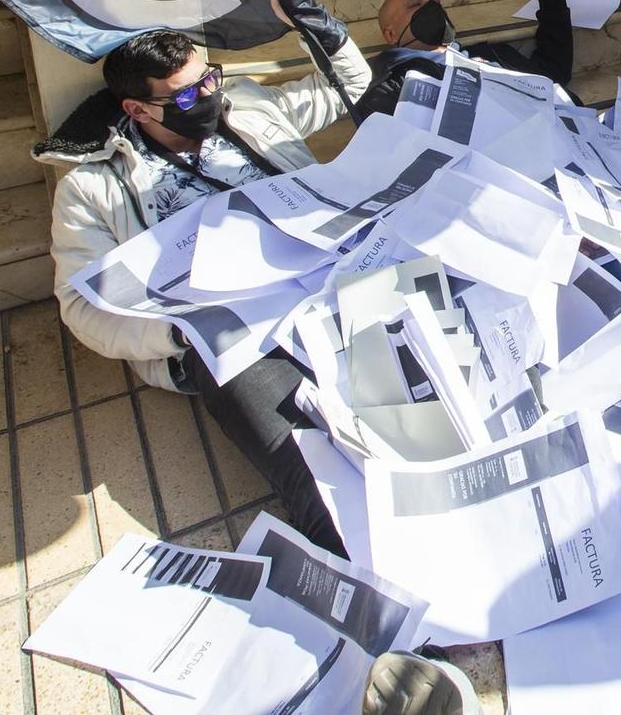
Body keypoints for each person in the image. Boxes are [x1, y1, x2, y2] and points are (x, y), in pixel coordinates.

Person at [39, 27, 375, 549]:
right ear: (139, 108)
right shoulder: (91, 188)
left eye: (210, 78)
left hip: (323, 279)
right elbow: (83, 305)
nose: (210, 97)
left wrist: (307, 15)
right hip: (228, 334)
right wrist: (183, 333)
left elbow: (349, 81)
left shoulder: (248, 108)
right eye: (187, 95)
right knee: (315, 469)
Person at [358, 0, 573, 117]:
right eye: (415, 4)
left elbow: (553, 76)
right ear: (390, 33)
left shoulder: (490, 53)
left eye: (435, 2)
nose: (431, 8)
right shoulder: (388, 84)